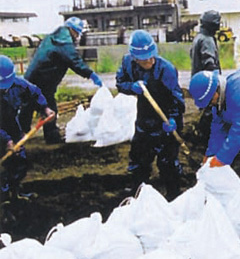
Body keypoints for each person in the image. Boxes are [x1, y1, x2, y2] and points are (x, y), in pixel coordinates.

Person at [116, 30, 185, 201]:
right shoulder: (127, 63)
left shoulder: (166, 69)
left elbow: (177, 98)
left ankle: (174, 194)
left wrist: (173, 119)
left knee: (168, 162)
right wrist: (132, 87)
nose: (149, 60)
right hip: (144, 120)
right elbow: (120, 83)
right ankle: (138, 193)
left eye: (151, 56)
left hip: (165, 118)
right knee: (139, 159)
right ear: (134, 58)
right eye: (144, 58)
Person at [20, 16, 103, 144]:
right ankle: (51, 136)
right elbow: (74, 61)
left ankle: (19, 134)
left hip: (34, 77)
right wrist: (91, 74)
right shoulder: (64, 43)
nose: (77, 37)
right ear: (72, 30)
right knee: (49, 107)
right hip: (43, 80)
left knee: (28, 105)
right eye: (77, 33)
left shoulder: (52, 37)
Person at [0, 55, 55, 201]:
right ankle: (2, 194)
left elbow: (35, 93)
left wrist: (45, 108)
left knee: (19, 159)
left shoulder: (18, 84)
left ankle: (15, 192)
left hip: (11, 123)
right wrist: (6, 141)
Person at [190, 10, 222, 139]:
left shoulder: (198, 38)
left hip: (199, 81)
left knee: (204, 108)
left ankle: (202, 134)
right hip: (208, 83)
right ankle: (205, 137)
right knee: (210, 111)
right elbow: (209, 62)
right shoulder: (207, 40)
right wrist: (216, 81)